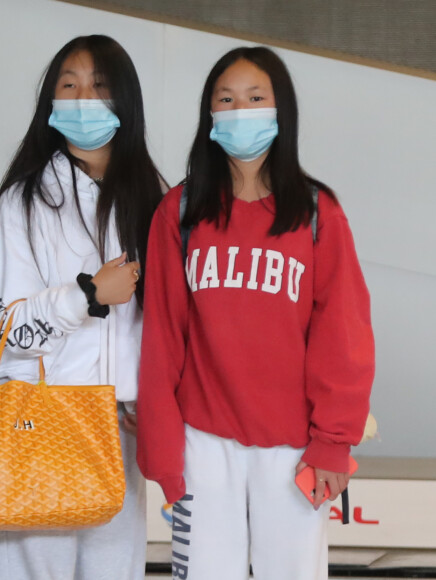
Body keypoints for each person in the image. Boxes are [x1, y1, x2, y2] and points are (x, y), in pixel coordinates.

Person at [136, 46, 374, 580]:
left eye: (255, 97)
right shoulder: (178, 212)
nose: (240, 110)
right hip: (202, 443)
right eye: (227, 99)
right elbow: (162, 338)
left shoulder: (318, 214)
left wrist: (333, 442)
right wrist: (162, 448)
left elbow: (344, 334)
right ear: (210, 114)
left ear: (279, 110)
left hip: (294, 450)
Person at [0, 34, 165, 580]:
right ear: (50, 102)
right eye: (69, 85)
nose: (83, 98)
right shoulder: (25, 201)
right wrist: (87, 296)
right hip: (39, 419)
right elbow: (8, 331)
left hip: (118, 424)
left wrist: (151, 397)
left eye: (99, 86)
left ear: (123, 100)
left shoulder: (152, 198)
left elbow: (165, 323)